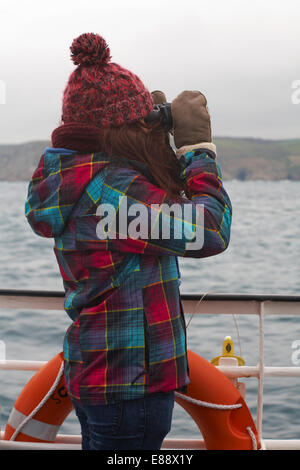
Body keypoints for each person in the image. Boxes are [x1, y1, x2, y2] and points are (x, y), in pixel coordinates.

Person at [25, 32, 232, 450]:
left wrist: (153, 140)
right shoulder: (112, 195)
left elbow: (159, 209)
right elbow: (209, 230)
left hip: (100, 378)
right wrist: (198, 150)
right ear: (119, 130)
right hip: (130, 389)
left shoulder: (80, 181)